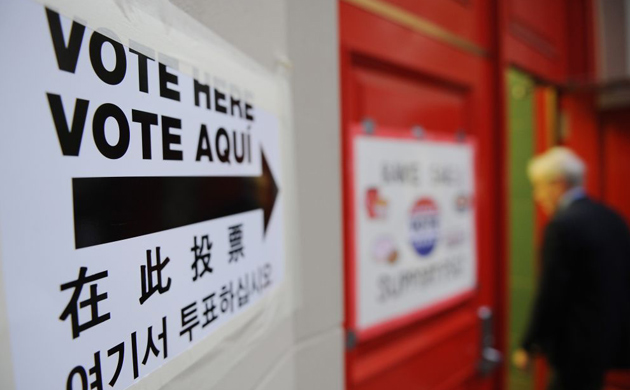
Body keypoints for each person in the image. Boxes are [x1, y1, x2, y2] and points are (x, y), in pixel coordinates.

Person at [512, 147, 630, 390]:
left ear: (558, 184)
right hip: (608, 338)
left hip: (575, 348)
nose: (537, 195)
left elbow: (550, 293)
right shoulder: (611, 216)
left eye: (539, 186)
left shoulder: (562, 226)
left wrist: (529, 345)